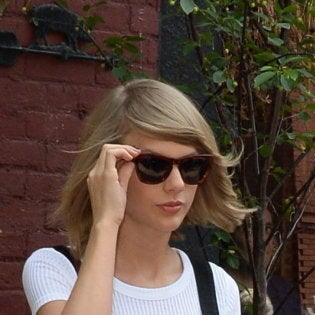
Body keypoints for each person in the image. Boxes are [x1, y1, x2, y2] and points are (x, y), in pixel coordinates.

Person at [22, 78, 254, 314]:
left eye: (191, 166)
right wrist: (106, 223)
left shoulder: (217, 286)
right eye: (154, 165)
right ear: (108, 169)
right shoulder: (57, 269)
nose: (176, 184)